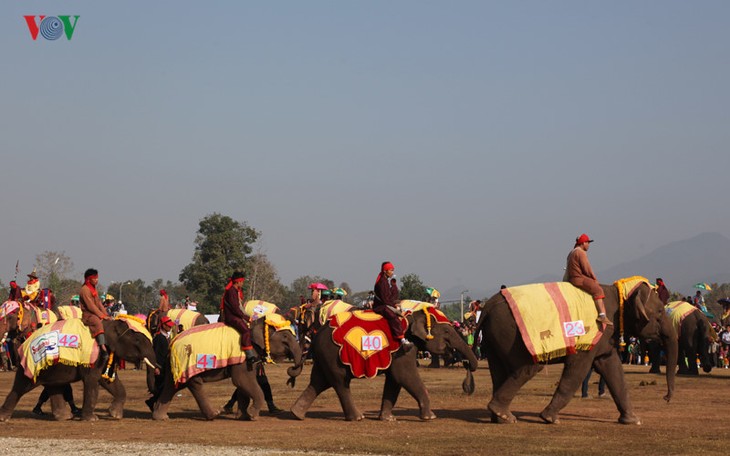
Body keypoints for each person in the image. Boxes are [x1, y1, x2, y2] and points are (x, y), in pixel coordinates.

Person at [564, 233, 612, 326]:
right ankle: (602, 315)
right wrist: (594, 279)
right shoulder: (581, 252)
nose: (589, 245)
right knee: (598, 290)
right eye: (588, 243)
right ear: (583, 243)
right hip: (578, 278)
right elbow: (587, 268)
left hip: (573, 278)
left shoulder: (572, 252)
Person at [372, 261, 411, 350]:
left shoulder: (386, 281)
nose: (392, 272)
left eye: (393, 270)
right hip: (380, 306)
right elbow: (385, 299)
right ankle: (401, 338)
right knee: (393, 316)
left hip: (386, 304)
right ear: (385, 271)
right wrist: (394, 306)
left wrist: (393, 285)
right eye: (391, 270)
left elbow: (393, 296)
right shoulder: (382, 282)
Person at [220, 271, 257, 362]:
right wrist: (247, 318)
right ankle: (249, 355)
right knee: (246, 330)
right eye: (242, 281)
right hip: (231, 317)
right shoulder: (231, 292)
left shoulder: (235, 291)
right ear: (238, 282)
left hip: (235, 315)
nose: (243, 283)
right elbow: (235, 309)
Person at [79, 268, 112, 368]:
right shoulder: (84, 290)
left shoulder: (93, 289)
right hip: (88, 315)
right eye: (95, 278)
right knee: (98, 322)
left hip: (95, 313)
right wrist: (101, 316)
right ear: (89, 279)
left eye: (97, 278)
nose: (97, 280)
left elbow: (98, 304)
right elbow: (91, 306)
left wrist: (106, 315)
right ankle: (102, 347)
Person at [145, 316, 174, 411]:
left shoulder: (167, 337)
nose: (170, 327)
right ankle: (151, 402)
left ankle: (153, 402)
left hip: (166, 366)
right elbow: (155, 354)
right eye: (168, 326)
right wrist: (156, 367)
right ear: (163, 325)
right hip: (160, 367)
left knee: (164, 387)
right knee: (161, 387)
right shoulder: (158, 338)